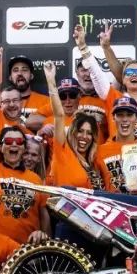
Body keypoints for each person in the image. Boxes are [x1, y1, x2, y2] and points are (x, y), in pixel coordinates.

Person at [0, 110, 51, 244]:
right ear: (1, 147)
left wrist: (46, 240)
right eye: (9, 141)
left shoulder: (36, 179)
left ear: (23, 148)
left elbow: (44, 215)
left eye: (19, 141)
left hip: (26, 249)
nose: (14, 144)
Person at [78, 24, 137, 138]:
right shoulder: (114, 98)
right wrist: (82, 47)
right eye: (129, 72)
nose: (134, 75)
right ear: (123, 79)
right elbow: (96, 74)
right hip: (117, 149)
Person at [44, 63, 103, 192]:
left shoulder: (94, 162)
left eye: (89, 133)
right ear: (72, 133)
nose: (84, 136)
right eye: (80, 131)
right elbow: (59, 116)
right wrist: (51, 81)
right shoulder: (63, 153)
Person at [94, 96, 137, 193]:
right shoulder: (100, 151)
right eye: (120, 115)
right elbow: (97, 188)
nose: (125, 119)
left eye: (129, 115)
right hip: (112, 202)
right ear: (113, 117)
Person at [6, 55, 51, 126]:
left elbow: (57, 124)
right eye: (15, 70)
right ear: (10, 77)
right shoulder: (2, 104)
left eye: (24, 70)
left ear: (31, 76)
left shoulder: (47, 102)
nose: (20, 73)